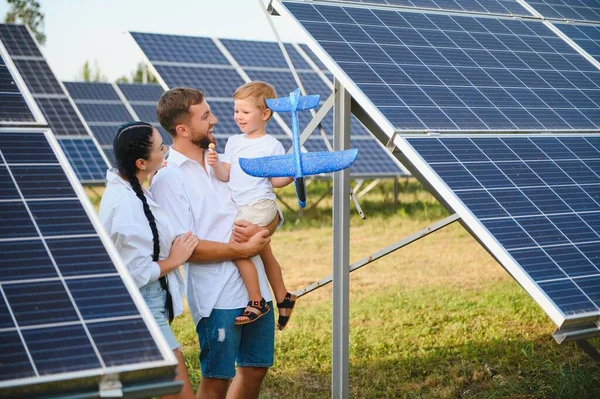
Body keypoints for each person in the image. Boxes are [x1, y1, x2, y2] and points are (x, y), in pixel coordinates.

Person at [151, 87, 277, 399]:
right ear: (183, 129)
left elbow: (268, 206)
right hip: (217, 294)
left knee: (256, 369)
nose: (216, 120)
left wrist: (265, 228)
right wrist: (242, 250)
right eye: (206, 116)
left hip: (255, 287)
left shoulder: (226, 162)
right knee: (218, 378)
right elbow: (185, 247)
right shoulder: (168, 179)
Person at [98, 121, 199, 399]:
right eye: (160, 148)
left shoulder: (131, 188)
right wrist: (175, 259)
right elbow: (135, 272)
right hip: (141, 307)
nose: (166, 150)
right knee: (180, 393)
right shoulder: (125, 206)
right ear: (141, 162)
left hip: (147, 304)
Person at [207, 81, 297, 329]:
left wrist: (294, 172)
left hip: (260, 204)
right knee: (264, 252)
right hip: (244, 207)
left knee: (239, 250)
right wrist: (216, 164)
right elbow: (227, 174)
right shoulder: (234, 142)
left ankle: (257, 301)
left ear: (265, 114)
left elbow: (277, 181)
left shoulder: (271, 145)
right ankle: (284, 297)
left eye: (245, 112)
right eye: (236, 111)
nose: (239, 117)